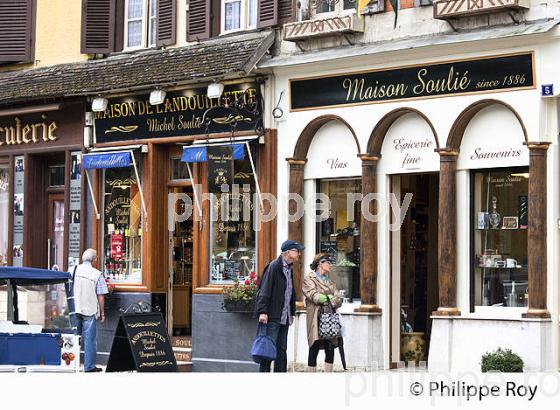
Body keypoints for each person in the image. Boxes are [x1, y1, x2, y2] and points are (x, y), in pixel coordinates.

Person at [256, 239, 304, 372]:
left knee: (282, 350)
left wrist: (292, 312)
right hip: (272, 316)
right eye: (296, 251)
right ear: (288, 252)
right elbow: (265, 290)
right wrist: (263, 311)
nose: (299, 253)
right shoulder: (274, 266)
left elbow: (290, 291)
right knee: (268, 349)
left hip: (285, 316)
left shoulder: (289, 268)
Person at [302, 253, 342, 372]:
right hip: (316, 317)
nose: (330, 265)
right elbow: (315, 297)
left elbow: (339, 299)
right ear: (320, 263)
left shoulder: (329, 281)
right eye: (328, 262)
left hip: (330, 318)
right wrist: (330, 298)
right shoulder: (309, 279)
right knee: (314, 346)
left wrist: (329, 298)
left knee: (330, 347)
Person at [71, 248, 108, 372]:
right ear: (94, 259)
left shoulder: (72, 270)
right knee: (90, 340)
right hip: (89, 309)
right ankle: (89, 366)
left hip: (74, 308)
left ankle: (71, 364)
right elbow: (101, 295)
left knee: (74, 338)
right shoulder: (97, 274)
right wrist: (102, 313)